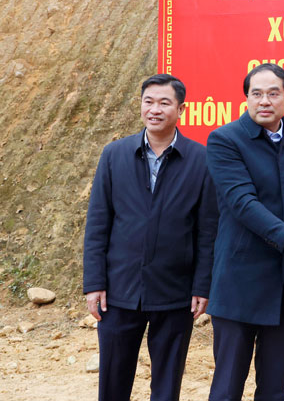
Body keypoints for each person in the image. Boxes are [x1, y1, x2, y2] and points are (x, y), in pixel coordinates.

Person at [82, 73, 219, 401]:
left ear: (180, 109)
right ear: (141, 105)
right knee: (113, 381)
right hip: (119, 290)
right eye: (149, 101)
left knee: (167, 384)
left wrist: (202, 285)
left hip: (175, 292)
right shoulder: (114, 155)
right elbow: (98, 224)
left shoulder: (200, 160)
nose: (155, 109)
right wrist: (94, 283)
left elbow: (207, 230)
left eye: (164, 102)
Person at [205, 63, 284, 401]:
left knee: (275, 387)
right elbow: (242, 203)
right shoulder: (224, 140)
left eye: (273, 93)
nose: (264, 101)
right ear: (246, 98)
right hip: (239, 283)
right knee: (227, 386)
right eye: (256, 94)